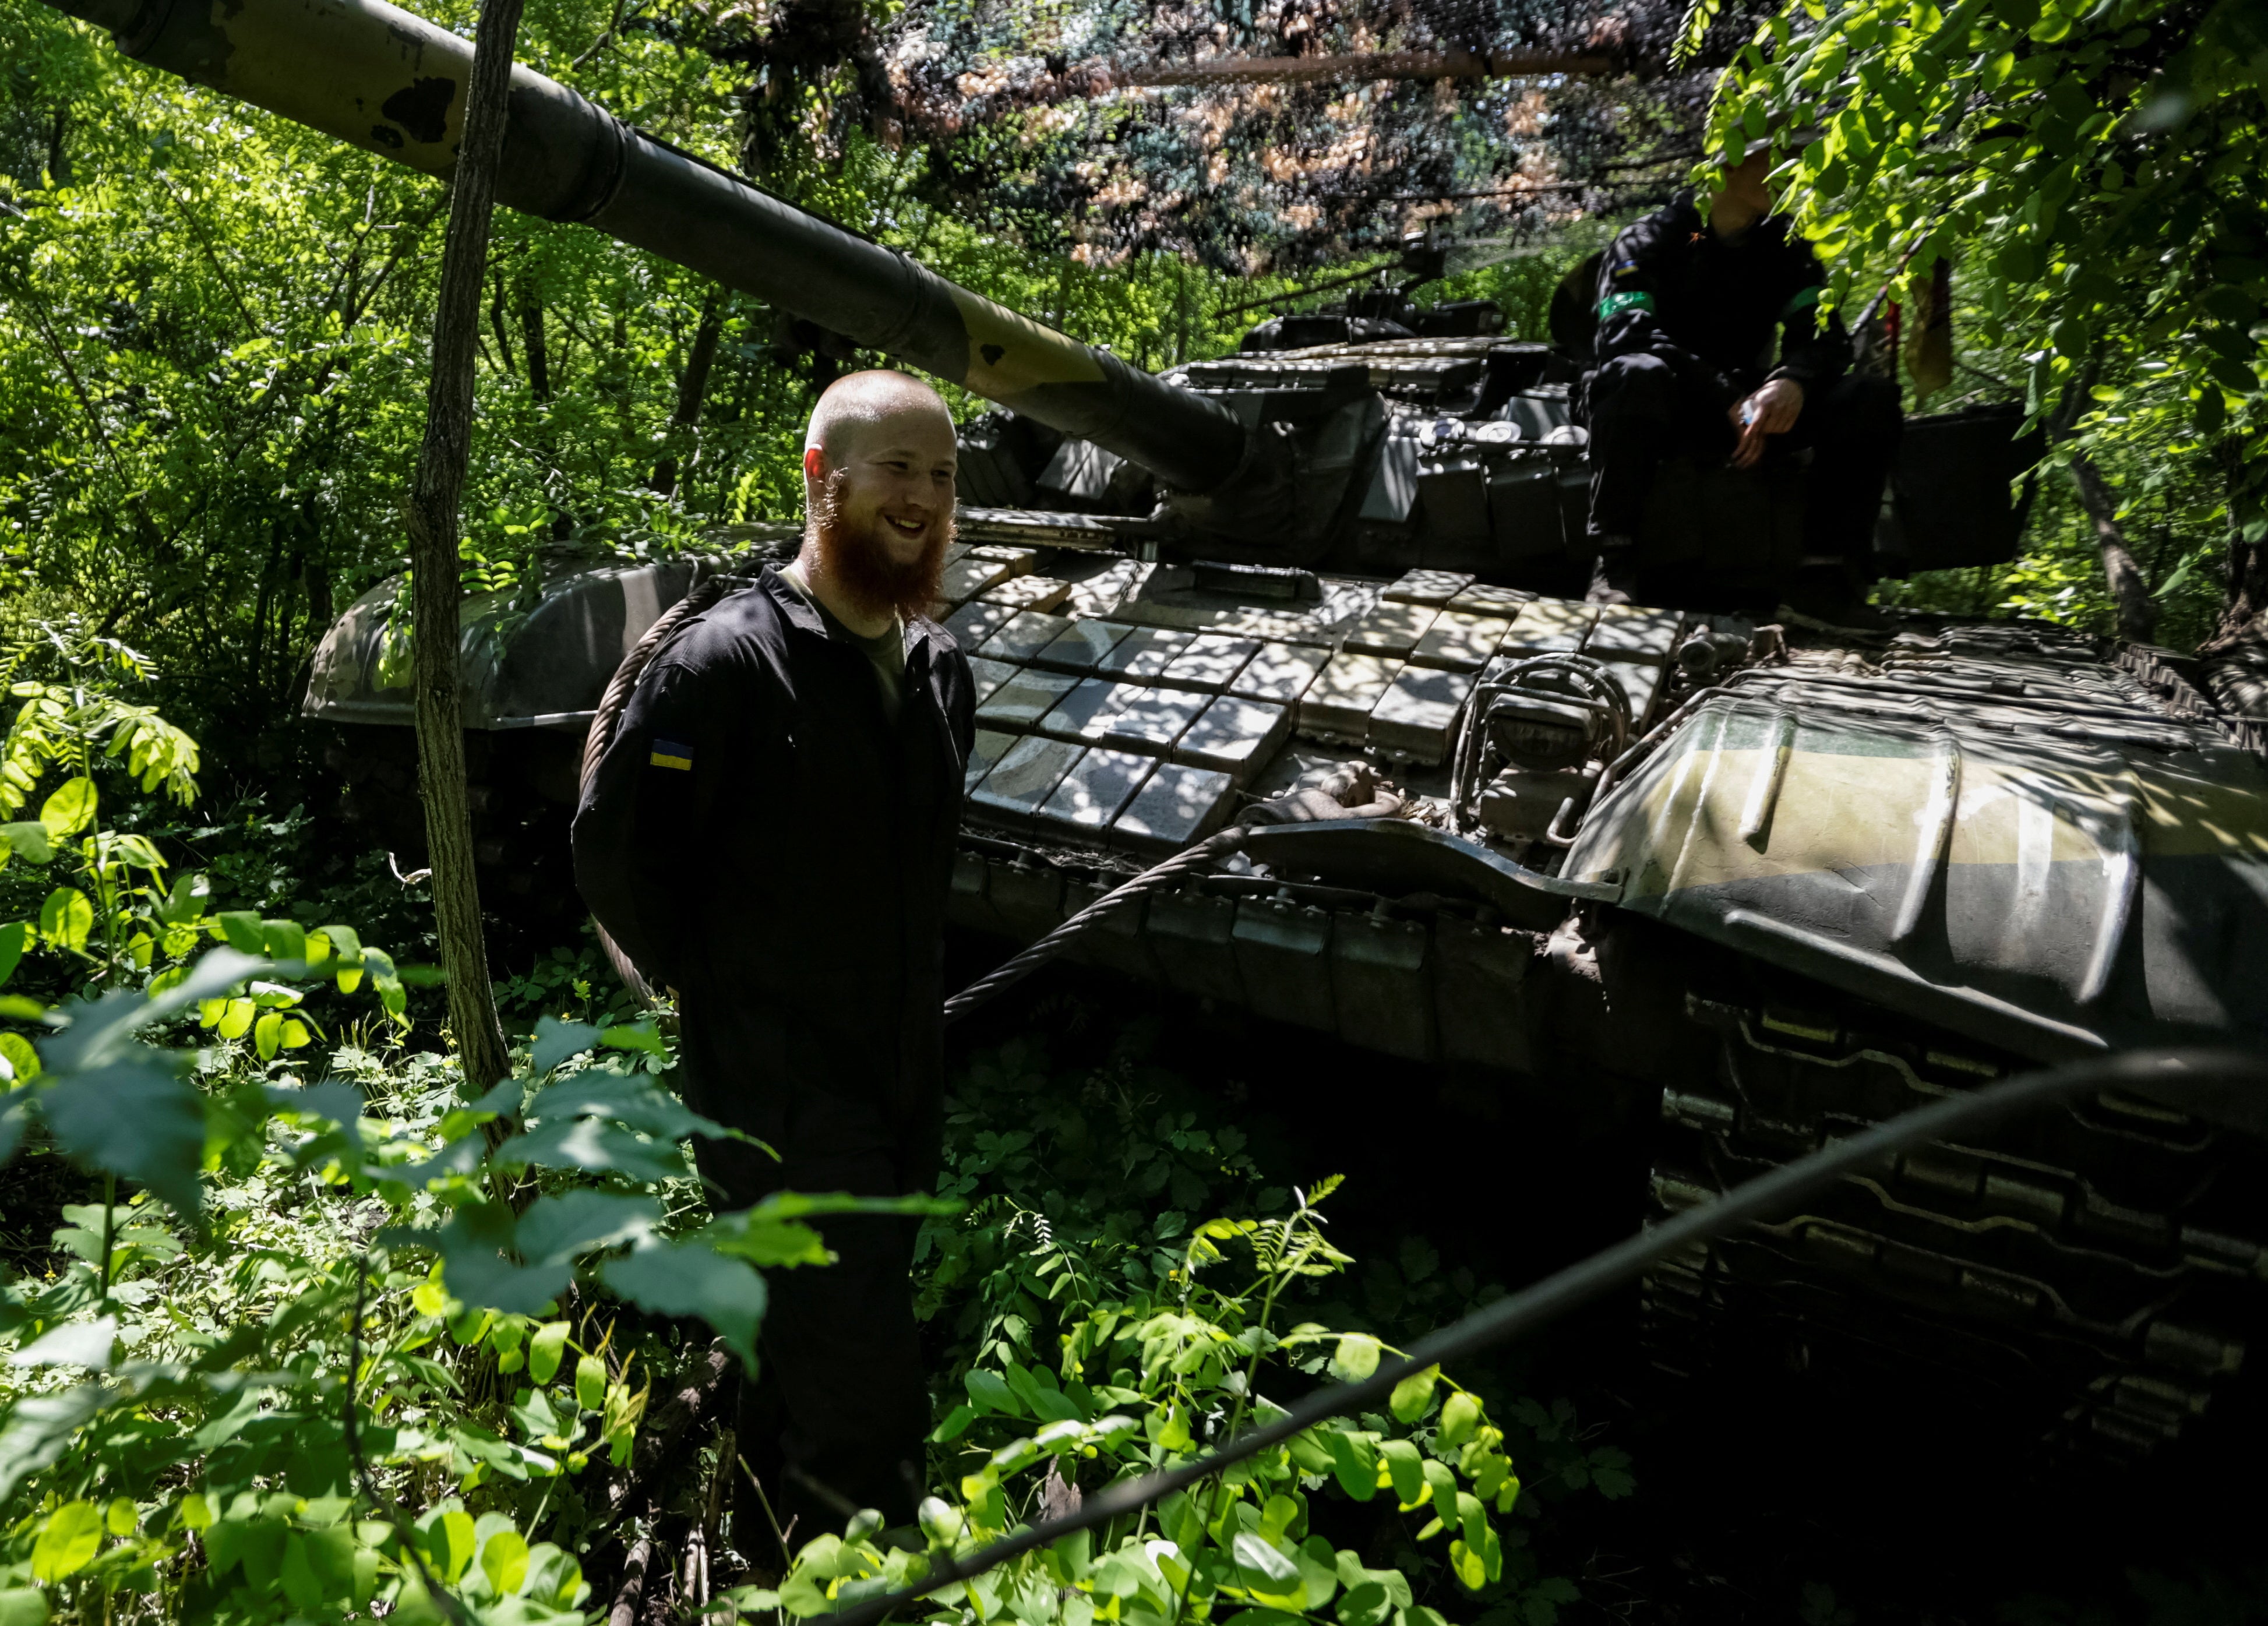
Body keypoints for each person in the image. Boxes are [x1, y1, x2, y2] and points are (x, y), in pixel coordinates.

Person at [573, 369, 974, 1549]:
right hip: (778, 1095)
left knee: (824, 1345)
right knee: (871, 1417)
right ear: (821, 479)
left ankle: (761, 1547)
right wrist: (730, 995)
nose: (921, 498)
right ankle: (854, 1579)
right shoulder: (724, 666)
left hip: (899, 1081)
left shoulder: (940, 671)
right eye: (895, 468)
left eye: (941, 475)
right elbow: (617, 862)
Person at [1580, 140, 1902, 616]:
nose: (1792, 171)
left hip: (1755, 412)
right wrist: (1718, 393)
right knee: (1633, 373)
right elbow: (1625, 336)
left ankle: (1824, 572)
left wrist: (1792, 379)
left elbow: (1823, 335)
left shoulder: (1784, 246)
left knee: (1867, 396)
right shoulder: (1648, 241)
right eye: (1774, 161)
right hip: (1670, 407)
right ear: (1727, 167)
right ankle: (1614, 559)